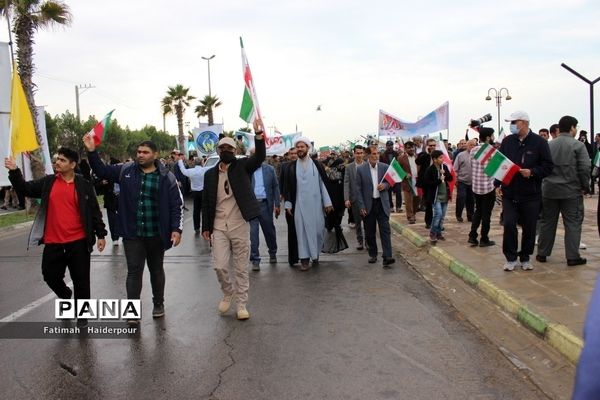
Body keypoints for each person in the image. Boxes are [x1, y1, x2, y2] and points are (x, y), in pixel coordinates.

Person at [84, 137, 183, 322]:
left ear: (155, 155)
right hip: (132, 233)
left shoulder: (166, 176)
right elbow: (101, 170)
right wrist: (91, 151)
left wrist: (176, 228)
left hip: (156, 233)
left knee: (156, 270)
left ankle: (158, 303)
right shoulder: (125, 171)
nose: (141, 155)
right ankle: (132, 311)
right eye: (138, 152)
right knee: (134, 271)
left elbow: (176, 204)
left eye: (145, 152)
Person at [5, 147, 106, 327]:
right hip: (54, 242)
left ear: (72, 164)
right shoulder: (49, 182)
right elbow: (25, 188)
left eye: (62, 160)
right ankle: (65, 295)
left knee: (81, 280)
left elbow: (93, 211)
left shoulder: (83, 184)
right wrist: (14, 170)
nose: (57, 162)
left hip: (78, 241)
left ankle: (82, 317)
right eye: (57, 159)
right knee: (50, 275)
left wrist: (101, 234)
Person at [202, 119, 266, 320]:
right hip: (219, 225)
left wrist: (258, 136)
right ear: (218, 151)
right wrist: (206, 226)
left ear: (235, 149)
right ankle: (227, 291)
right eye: (222, 148)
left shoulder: (243, 166)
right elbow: (206, 201)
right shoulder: (210, 174)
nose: (226, 150)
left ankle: (241, 304)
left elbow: (260, 157)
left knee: (240, 267)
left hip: (239, 223)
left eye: (229, 147)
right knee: (219, 265)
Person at [497, 111, 553, 271]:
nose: (512, 125)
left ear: (524, 123)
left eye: (514, 122)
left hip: (531, 194)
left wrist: (533, 172)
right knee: (508, 224)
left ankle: (525, 257)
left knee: (529, 227)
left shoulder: (539, 142)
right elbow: (501, 164)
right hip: (509, 192)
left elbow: (548, 166)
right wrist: (497, 183)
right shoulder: (507, 141)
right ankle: (510, 257)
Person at [536, 115, 589, 266]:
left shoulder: (549, 145)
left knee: (547, 222)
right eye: (576, 127)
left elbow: (541, 166)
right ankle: (572, 257)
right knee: (572, 223)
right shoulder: (578, 145)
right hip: (571, 191)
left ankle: (542, 253)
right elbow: (584, 168)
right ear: (572, 127)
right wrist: (585, 186)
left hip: (549, 190)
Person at [282, 137, 333, 271]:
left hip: (316, 205)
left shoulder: (317, 165)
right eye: (297, 147)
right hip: (299, 205)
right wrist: (288, 204)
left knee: (317, 231)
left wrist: (327, 202)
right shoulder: (292, 167)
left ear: (307, 148)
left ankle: (314, 254)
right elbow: (288, 187)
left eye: (302, 147)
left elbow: (323, 184)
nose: (299, 149)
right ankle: (304, 259)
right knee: (302, 232)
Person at [355, 145, 395, 267]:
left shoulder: (385, 167)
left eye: (377, 153)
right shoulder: (361, 170)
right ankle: (373, 253)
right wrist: (361, 206)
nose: (376, 156)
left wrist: (385, 185)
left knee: (385, 231)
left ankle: (387, 256)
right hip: (368, 205)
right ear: (367, 155)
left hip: (382, 204)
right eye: (373, 154)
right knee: (370, 232)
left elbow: (391, 181)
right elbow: (358, 189)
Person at [249, 151, 280, 271]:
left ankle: (272, 252)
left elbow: (275, 187)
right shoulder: (248, 170)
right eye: (253, 156)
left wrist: (277, 204)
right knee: (253, 233)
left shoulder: (269, 169)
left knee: (269, 231)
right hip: (252, 206)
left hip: (265, 205)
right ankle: (255, 259)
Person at [468, 128, 496, 247]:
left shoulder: (473, 150)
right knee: (486, 215)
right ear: (488, 137)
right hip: (488, 187)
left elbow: (471, 165)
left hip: (476, 187)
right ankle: (484, 239)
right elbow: (494, 169)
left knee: (478, 211)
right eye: (493, 136)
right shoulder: (491, 151)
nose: (494, 138)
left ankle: (472, 236)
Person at [177, 154, 211, 234]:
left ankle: (196, 227)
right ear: (202, 163)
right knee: (205, 210)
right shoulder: (204, 170)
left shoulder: (191, 171)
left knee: (196, 210)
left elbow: (183, 171)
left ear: (194, 163)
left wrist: (180, 161)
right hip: (203, 192)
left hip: (195, 193)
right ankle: (206, 227)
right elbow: (214, 167)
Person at [424, 150, 453, 243]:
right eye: (440, 158)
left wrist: (445, 173)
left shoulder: (443, 166)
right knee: (438, 214)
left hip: (445, 195)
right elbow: (428, 184)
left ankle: (439, 233)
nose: (442, 159)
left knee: (442, 216)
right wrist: (439, 180)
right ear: (434, 159)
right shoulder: (430, 169)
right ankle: (432, 233)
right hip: (435, 196)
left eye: (442, 157)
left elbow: (450, 178)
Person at [323, 157, 348, 253]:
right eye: (341, 164)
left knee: (339, 215)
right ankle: (332, 226)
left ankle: (336, 225)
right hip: (332, 199)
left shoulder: (343, 171)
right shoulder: (329, 172)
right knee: (333, 217)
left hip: (340, 199)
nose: (342, 166)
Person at [279, 147, 300, 266]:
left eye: (295, 153)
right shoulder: (285, 166)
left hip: (303, 202)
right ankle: (293, 258)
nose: (293, 155)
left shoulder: (304, 165)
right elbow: (282, 183)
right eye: (291, 153)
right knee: (292, 230)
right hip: (289, 203)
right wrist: (283, 198)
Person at [344, 145, 367, 249]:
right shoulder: (349, 167)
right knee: (357, 222)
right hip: (355, 199)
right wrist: (347, 199)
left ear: (364, 154)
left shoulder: (368, 166)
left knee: (367, 222)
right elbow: (346, 183)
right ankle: (360, 241)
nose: (359, 155)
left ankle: (368, 242)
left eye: (361, 153)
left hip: (367, 199)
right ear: (354, 154)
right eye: (357, 153)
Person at [96, 157, 121, 245]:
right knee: (112, 219)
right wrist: (101, 183)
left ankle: (123, 234)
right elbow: (97, 184)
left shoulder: (124, 173)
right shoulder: (107, 173)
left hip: (121, 199)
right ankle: (115, 238)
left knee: (122, 218)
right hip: (110, 198)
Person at [416, 138, 437, 228]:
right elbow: (418, 161)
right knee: (428, 203)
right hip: (426, 183)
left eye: (433, 145)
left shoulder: (439, 155)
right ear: (427, 146)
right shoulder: (424, 155)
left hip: (436, 182)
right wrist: (427, 153)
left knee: (437, 203)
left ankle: (437, 222)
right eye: (430, 145)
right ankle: (428, 222)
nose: (432, 147)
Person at [453, 139, 475, 223]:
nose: (472, 147)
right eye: (471, 145)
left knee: (471, 200)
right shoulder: (460, 155)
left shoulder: (477, 155)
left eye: (474, 145)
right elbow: (455, 169)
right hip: (462, 181)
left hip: (473, 182)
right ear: (467, 146)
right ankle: (458, 215)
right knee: (461, 198)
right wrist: (456, 179)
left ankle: (470, 216)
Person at [398, 141, 420, 224]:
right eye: (408, 147)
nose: (411, 149)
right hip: (407, 182)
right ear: (405, 149)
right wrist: (404, 174)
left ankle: (413, 213)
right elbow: (397, 169)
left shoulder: (418, 157)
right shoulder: (401, 158)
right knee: (408, 200)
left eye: (412, 147)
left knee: (417, 199)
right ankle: (410, 216)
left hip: (417, 182)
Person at [380, 140, 401, 212]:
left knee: (398, 191)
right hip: (387, 176)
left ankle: (398, 207)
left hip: (396, 175)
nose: (390, 147)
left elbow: (399, 164)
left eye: (391, 145)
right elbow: (381, 165)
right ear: (386, 146)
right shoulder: (382, 155)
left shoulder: (397, 154)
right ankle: (391, 206)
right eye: (388, 145)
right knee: (389, 192)